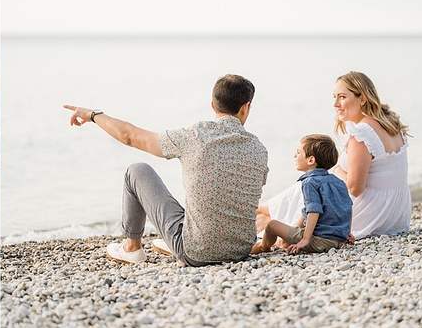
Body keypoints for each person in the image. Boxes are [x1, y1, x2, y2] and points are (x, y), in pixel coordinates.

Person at [64, 74, 269, 266]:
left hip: (196, 253)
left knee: (137, 171)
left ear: (213, 105)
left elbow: (130, 136)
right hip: (241, 251)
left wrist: (93, 115)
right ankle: (177, 239)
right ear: (246, 107)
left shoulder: (195, 136)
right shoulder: (259, 149)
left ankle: (131, 248)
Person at [258, 71, 411, 240]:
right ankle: (266, 214)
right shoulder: (390, 124)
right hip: (396, 215)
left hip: (371, 214)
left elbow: (355, 188)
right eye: (334, 97)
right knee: (298, 193)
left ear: (362, 99)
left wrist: (337, 170)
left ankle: (261, 214)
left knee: (307, 187)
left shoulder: (362, 135)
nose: (335, 104)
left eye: (342, 97)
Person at [252, 134, 352, 255]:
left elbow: (314, 211)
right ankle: (282, 242)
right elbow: (347, 207)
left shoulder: (309, 182)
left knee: (272, 225)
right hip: (338, 240)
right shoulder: (338, 181)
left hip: (319, 242)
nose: (295, 155)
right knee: (301, 217)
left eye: (298, 153)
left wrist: (305, 239)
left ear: (311, 160)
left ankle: (263, 247)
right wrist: (347, 232)